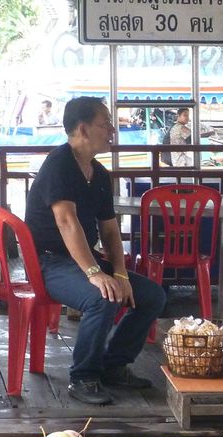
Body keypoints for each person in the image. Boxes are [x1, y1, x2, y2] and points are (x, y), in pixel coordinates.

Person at [24, 96, 166, 406]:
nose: (113, 130)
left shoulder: (100, 175)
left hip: (82, 259)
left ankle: (114, 365)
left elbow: (110, 229)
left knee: (152, 295)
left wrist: (119, 272)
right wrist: (94, 274)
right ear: (83, 129)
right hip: (47, 262)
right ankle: (84, 376)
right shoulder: (59, 163)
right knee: (102, 297)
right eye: (106, 124)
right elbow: (66, 222)